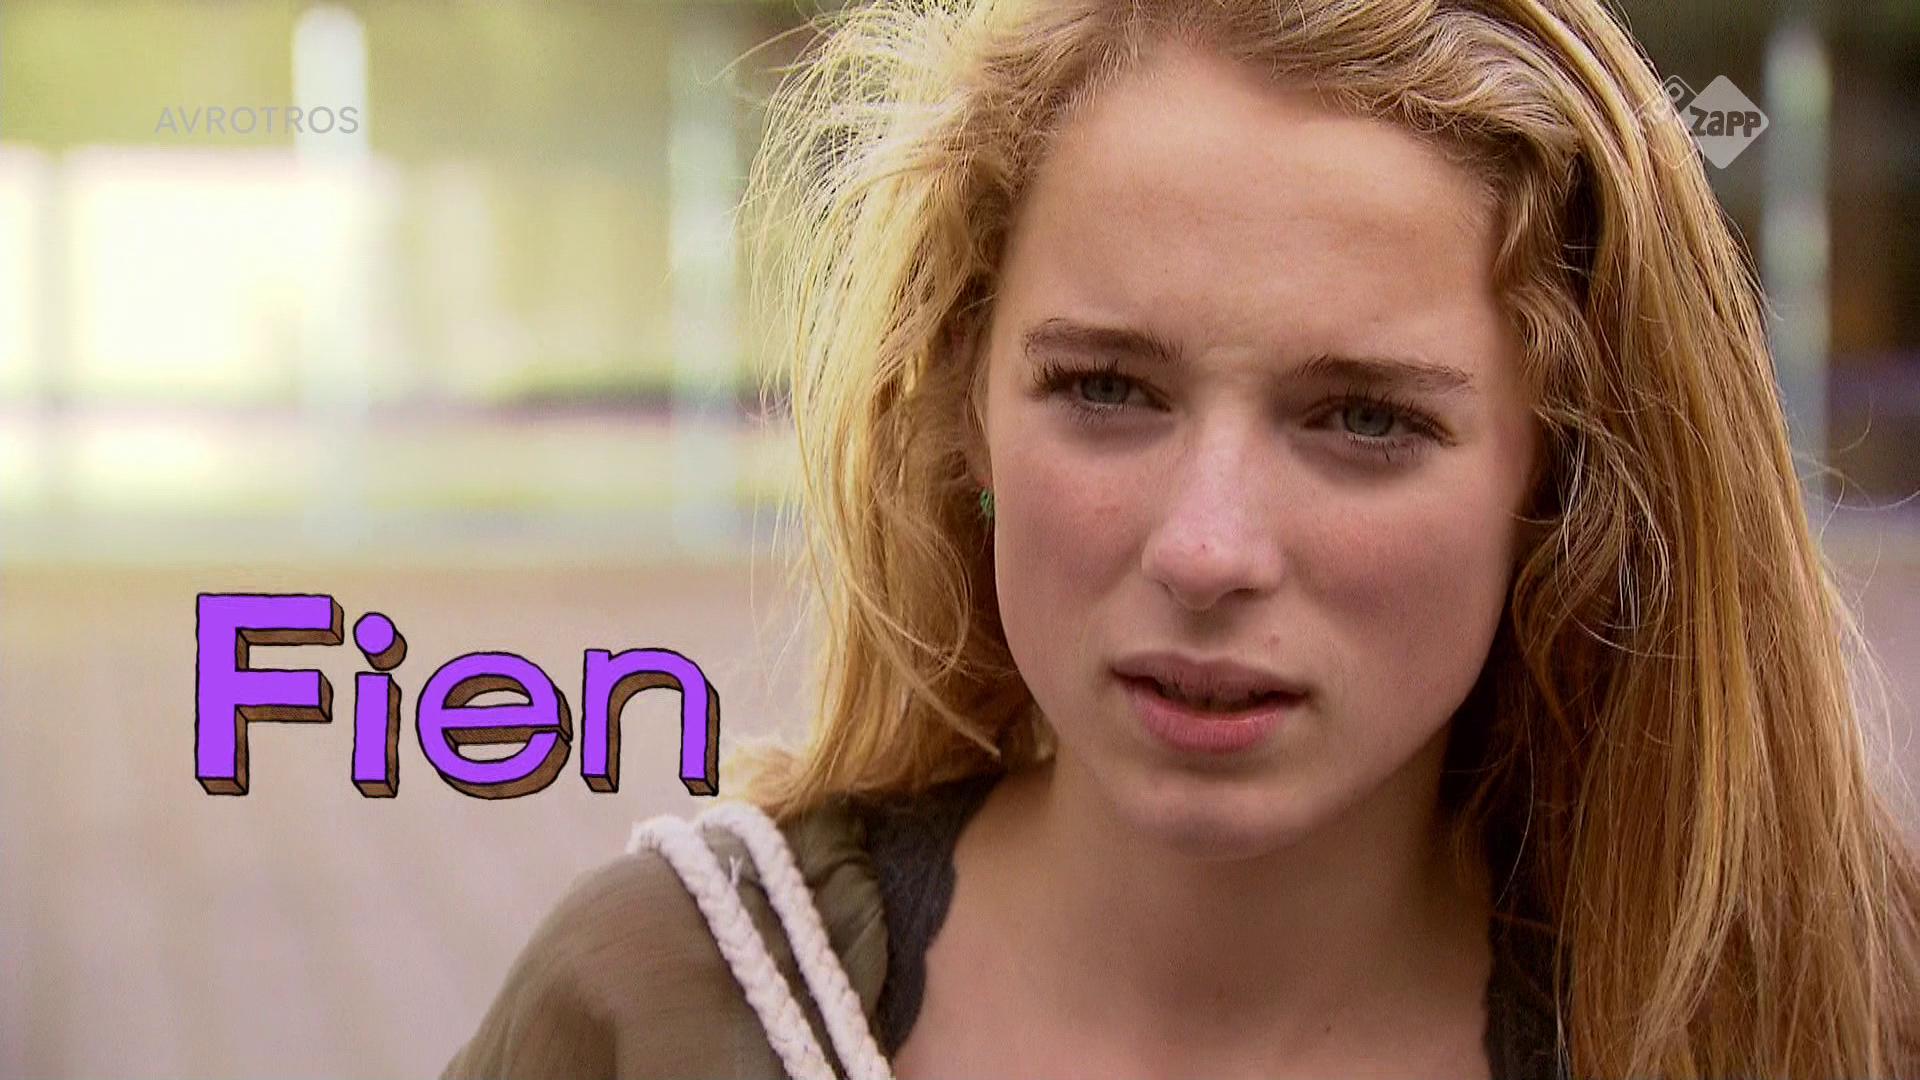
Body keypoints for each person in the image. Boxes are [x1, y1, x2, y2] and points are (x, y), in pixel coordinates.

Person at [440, 0, 1920, 1077]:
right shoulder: (667, 1006)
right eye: (1106, 390)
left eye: (1365, 419)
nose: (1208, 552)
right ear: (964, 407)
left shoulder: (1819, 1016)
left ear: (1563, 475)